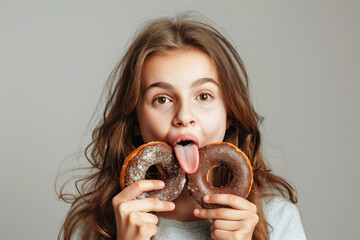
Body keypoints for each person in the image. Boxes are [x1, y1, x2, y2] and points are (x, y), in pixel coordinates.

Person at [58, 13, 307, 240]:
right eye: (162, 99)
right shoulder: (96, 226)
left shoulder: (276, 219)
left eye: (204, 96)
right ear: (135, 120)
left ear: (229, 113)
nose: (184, 116)